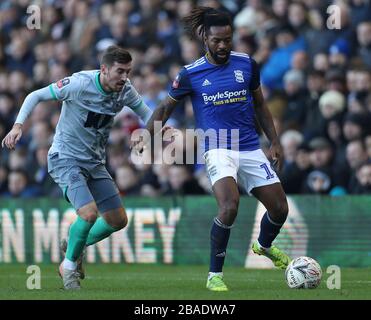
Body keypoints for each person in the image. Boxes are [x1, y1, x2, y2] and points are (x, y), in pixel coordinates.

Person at [134, 7, 291, 292]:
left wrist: (275, 140)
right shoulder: (190, 74)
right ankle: (214, 275)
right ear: (204, 37)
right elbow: (165, 107)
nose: (223, 46)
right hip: (218, 147)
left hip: (249, 146)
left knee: (280, 209)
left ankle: (264, 246)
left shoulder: (247, 64)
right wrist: (146, 136)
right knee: (229, 206)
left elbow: (260, 104)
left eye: (228, 40)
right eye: (217, 40)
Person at [2, 45, 153, 290]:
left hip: (94, 162)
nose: (125, 77)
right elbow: (35, 95)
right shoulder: (79, 84)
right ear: (104, 69)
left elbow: (148, 114)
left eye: (128, 72)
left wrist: (155, 130)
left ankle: (75, 244)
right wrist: (18, 125)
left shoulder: (125, 91)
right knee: (89, 213)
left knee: (118, 220)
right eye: (120, 71)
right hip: (65, 158)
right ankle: (69, 268)